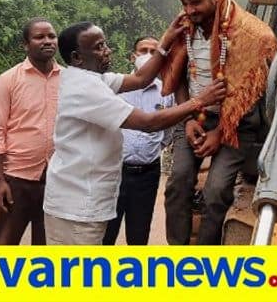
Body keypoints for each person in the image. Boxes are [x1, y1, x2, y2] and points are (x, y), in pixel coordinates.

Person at [43, 21, 225, 245]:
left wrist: (166, 39)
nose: (108, 50)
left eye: (106, 44)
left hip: (87, 200)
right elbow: (148, 123)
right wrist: (199, 101)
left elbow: (141, 79)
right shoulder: (85, 89)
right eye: (100, 47)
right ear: (77, 57)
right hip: (77, 208)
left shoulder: (94, 78)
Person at [160, 0, 277, 245]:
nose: (189, 10)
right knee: (178, 183)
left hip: (238, 125)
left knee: (215, 193)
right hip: (195, 116)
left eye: (196, 2)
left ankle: (206, 261)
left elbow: (251, 96)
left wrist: (221, 133)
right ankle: (176, 255)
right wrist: (188, 118)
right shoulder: (183, 26)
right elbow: (177, 78)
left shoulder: (251, 35)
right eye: (184, 3)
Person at [0, 17, 60, 245]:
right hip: (17, 178)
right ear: (26, 45)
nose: (47, 41)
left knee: (47, 246)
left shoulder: (69, 79)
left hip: (56, 179)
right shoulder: (8, 80)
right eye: (39, 37)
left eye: (51, 36)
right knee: (4, 245)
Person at [102, 36, 174, 245]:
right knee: (106, 233)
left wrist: (156, 147)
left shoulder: (165, 92)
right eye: (144, 51)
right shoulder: (115, 88)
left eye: (154, 51)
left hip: (147, 174)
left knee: (139, 235)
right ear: (133, 56)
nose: (148, 56)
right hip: (115, 172)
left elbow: (167, 129)